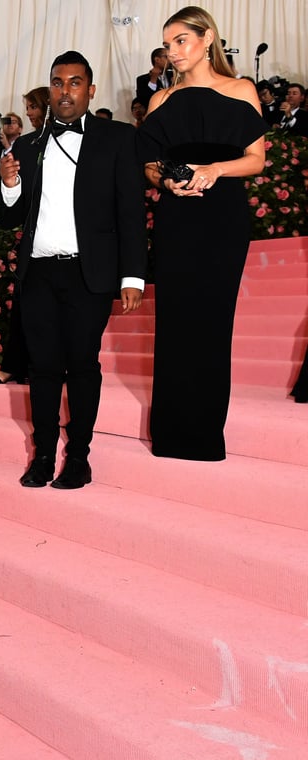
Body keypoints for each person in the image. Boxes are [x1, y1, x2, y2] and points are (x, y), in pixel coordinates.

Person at [0, 50, 146, 489]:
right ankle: (43, 455)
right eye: (58, 83)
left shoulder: (118, 138)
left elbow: (130, 212)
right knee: (42, 368)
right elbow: (13, 216)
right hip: (39, 274)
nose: (65, 91)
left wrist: (132, 276)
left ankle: (78, 456)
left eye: (75, 83)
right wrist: (9, 186)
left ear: (91, 89)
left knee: (82, 365)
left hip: (91, 274)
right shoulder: (27, 145)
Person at [136, 6, 267, 461]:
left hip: (222, 220)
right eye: (167, 44)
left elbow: (256, 159)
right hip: (177, 219)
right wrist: (165, 181)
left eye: (181, 41)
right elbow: (150, 166)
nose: (172, 52)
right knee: (173, 322)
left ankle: (206, 435)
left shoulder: (241, 90)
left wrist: (215, 169)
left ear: (207, 38)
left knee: (213, 323)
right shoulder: (160, 102)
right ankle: (170, 434)